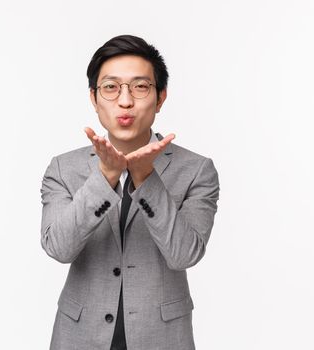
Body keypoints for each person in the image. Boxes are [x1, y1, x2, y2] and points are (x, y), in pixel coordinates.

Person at [40, 34, 220, 350]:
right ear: (94, 99)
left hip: (162, 338)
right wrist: (106, 176)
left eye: (140, 87)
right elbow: (59, 248)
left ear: (161, 97)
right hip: (78, 337)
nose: (125, 101)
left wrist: (146, 177)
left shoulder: (196, 170)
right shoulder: (62, 169)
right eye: (111, 88)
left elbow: (184, 254)